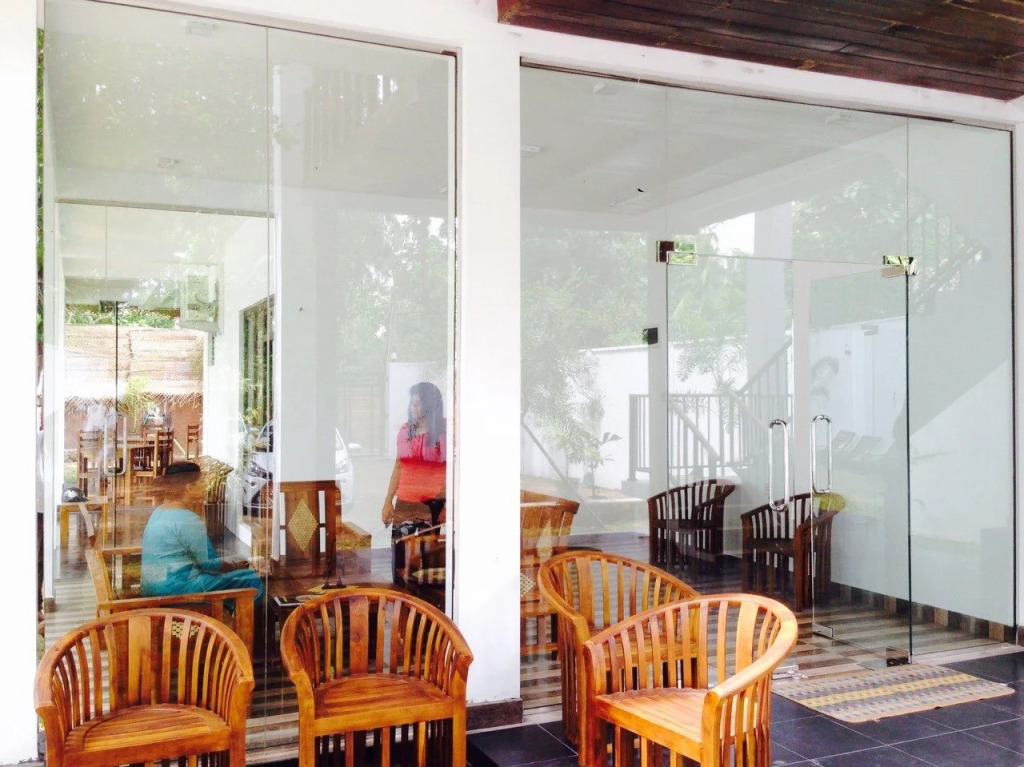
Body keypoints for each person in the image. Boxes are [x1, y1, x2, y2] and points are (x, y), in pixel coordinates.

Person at [141, 461, 263, 600]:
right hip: (174, 589)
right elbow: (209, 564)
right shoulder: (187, 519)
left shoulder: (159, 512)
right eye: (202, 482)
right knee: (251, 578)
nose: (205, 486)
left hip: (152, 587)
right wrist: (237, 566)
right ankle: (238, 614)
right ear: (189, 488)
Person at [381, 382, 447, 579]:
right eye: (412, 403)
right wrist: (388, 501)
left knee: (428, 562)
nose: (413, 408)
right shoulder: (405, 430)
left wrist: (447, 506)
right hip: (405, 502)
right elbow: (398, 466)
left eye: (418, 404)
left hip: (432, 504)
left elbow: (451, 471)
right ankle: (401, 596)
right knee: (400, 561)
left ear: (430, 406)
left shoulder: (445, 431)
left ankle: (423, 599)